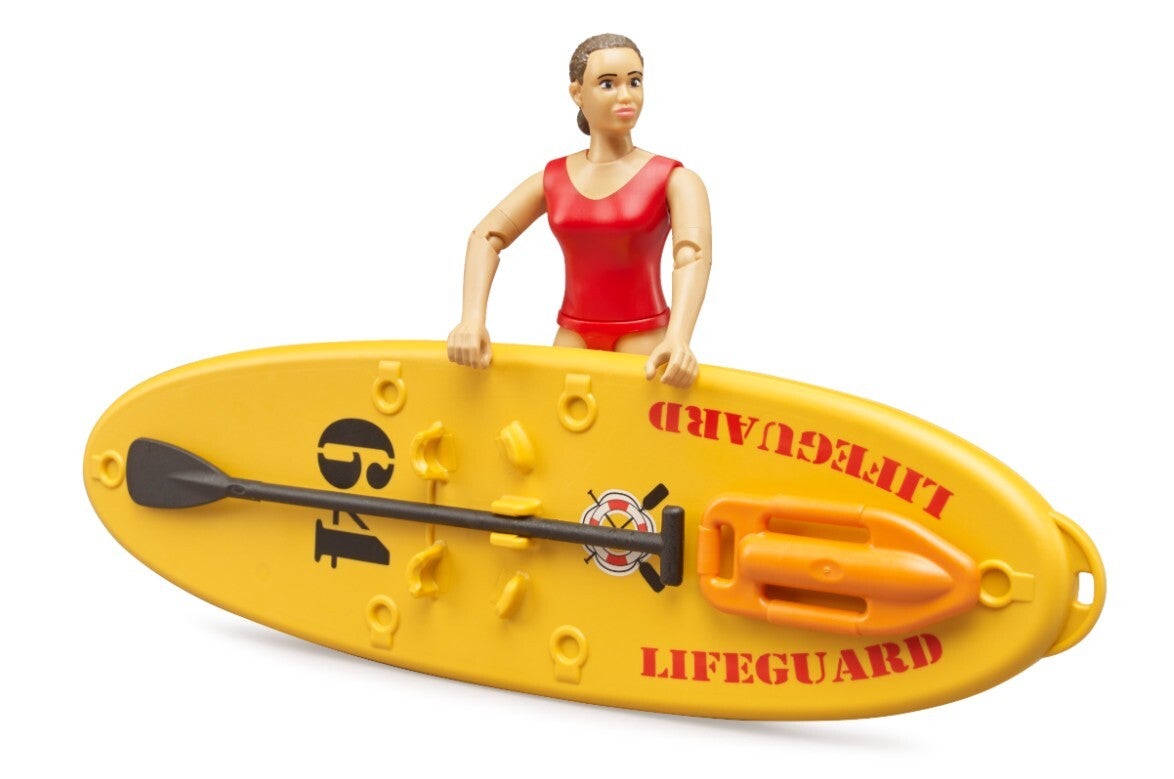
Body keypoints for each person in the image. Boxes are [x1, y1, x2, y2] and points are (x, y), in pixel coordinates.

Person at [447, 34, 711, 387]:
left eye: (635, 81)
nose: (626, 95)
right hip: (572, 337)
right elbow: (486, 236)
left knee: (629, 421)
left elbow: (691, 255)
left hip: (644, 338)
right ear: (577, 93)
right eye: (608, 84)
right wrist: (471, 319)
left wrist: (679, 337)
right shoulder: (553, 178)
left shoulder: (674, 179)